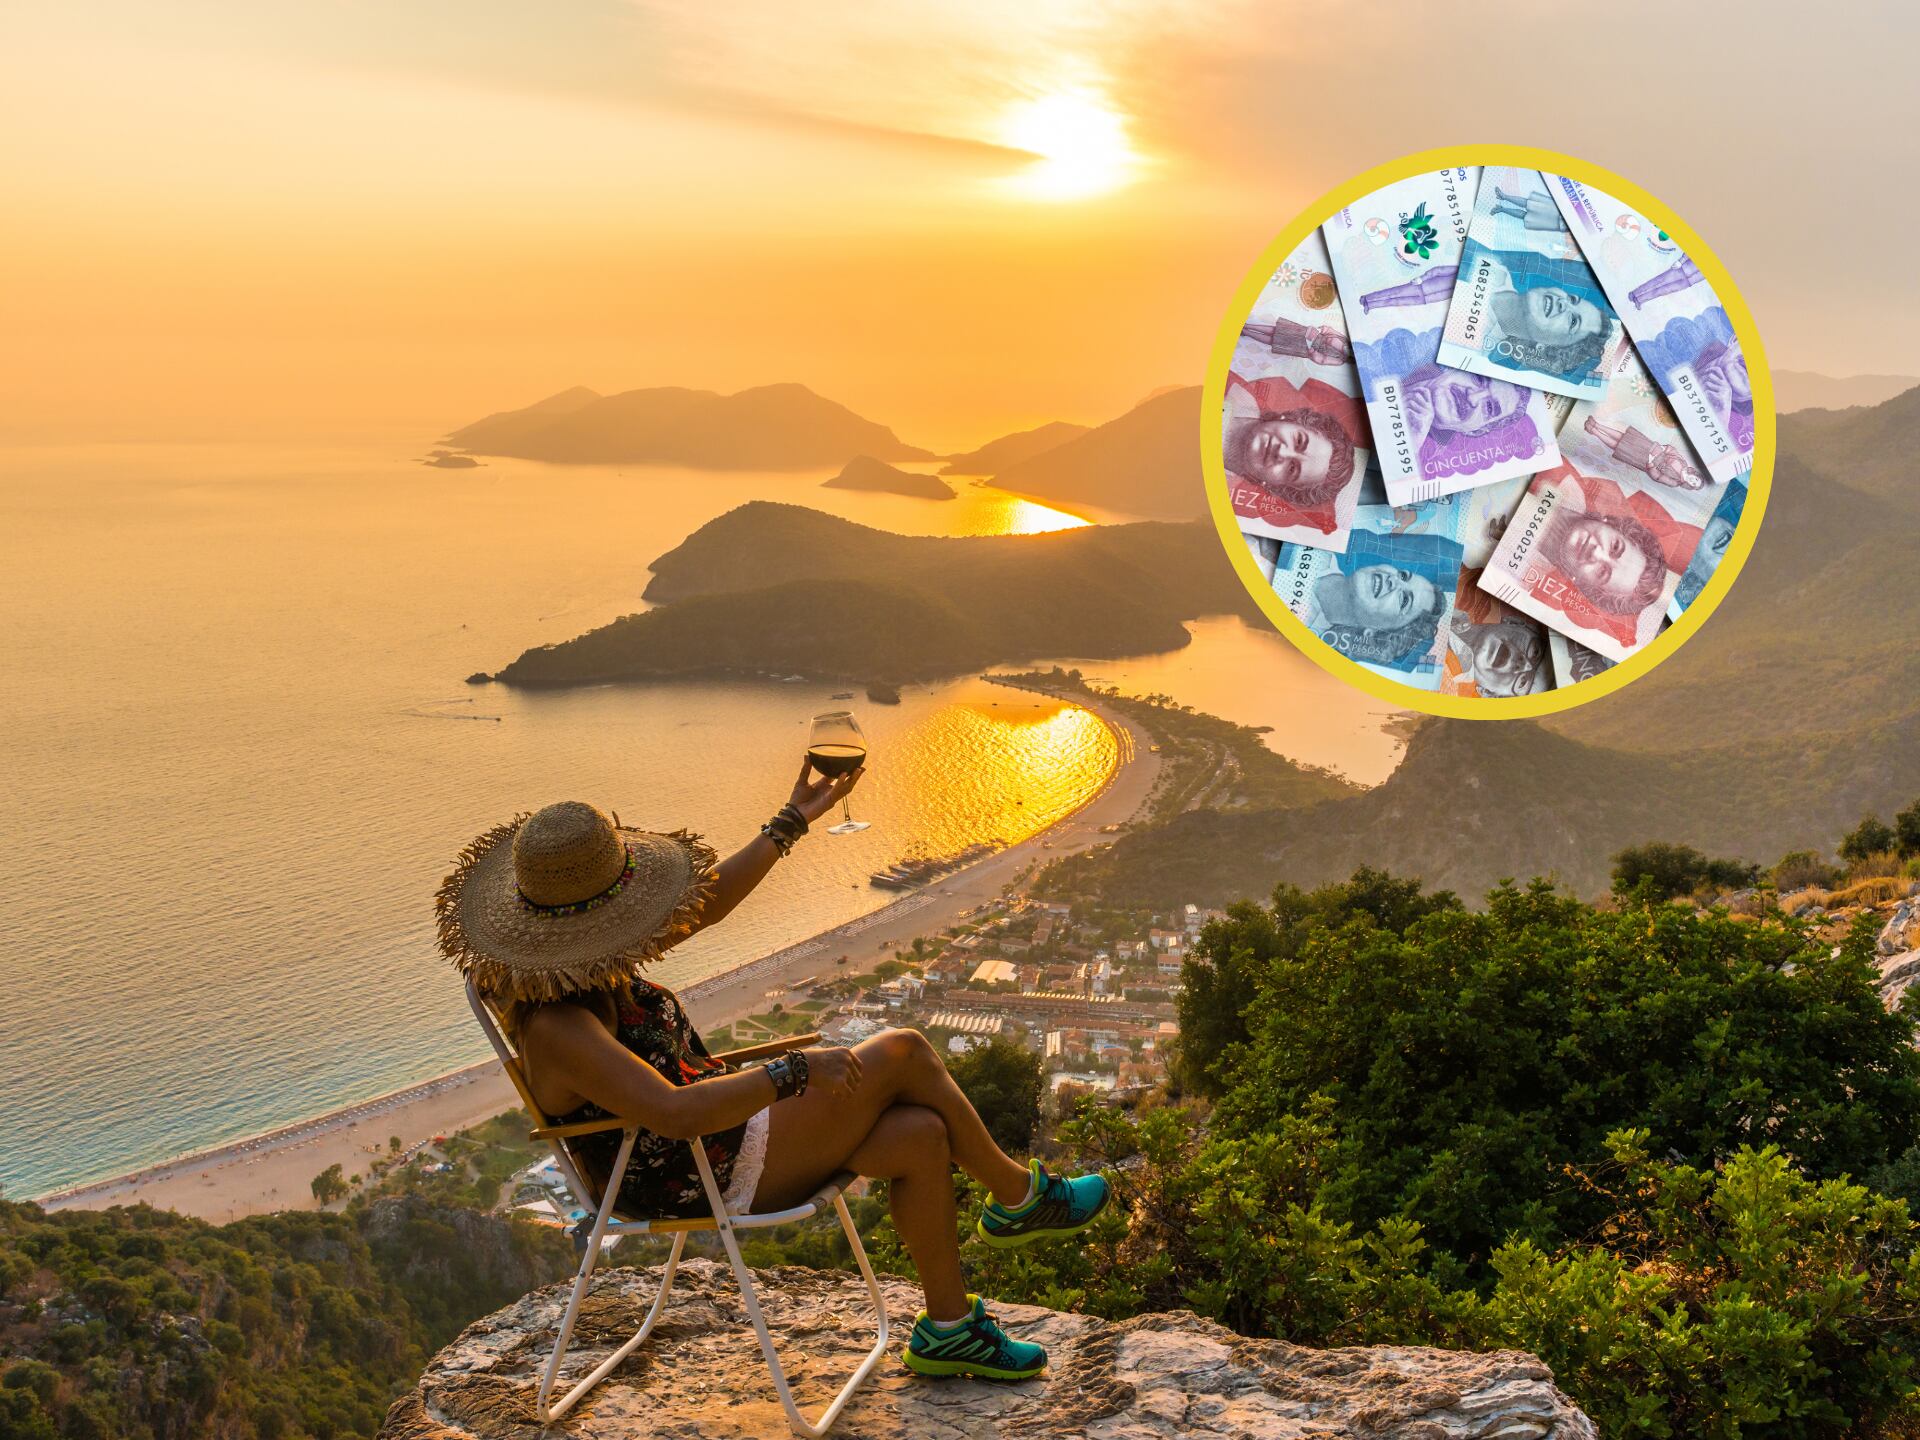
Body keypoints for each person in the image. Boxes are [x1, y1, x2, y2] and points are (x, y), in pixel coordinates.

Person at [436, 786, 1113, 1382]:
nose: (640, 921)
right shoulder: (559, 1026)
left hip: (722, 1134)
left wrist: (792, 818)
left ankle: (948, 1331)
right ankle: (1020, 1196)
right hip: (697, 1167)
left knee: (920, 1135)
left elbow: (709, 903)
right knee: (904, 1051)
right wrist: (791, 1074)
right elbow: (673, 1113)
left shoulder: (587, 967)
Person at [1539, 506, 1667, 616]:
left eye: (1602, 572)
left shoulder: (1531, 570)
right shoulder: (1569, 486)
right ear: (1612, 525)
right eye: (1615, 547)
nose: (1596, 553)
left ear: (1583, 584)